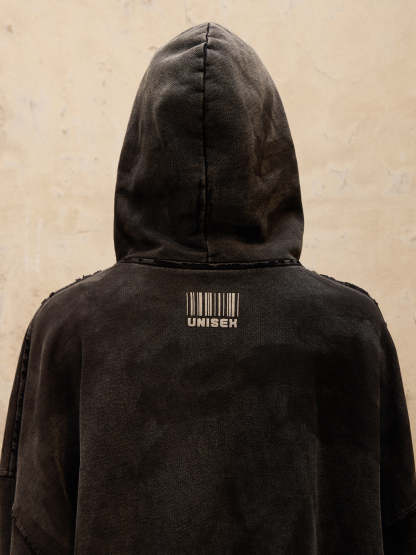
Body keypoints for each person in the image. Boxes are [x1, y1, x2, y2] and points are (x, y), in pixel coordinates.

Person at [1, 21, 415, 554]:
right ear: (269, 147)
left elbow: (28, 531)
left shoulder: (67, 328)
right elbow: (399, 526)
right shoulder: (352, 329)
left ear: (143, 148)